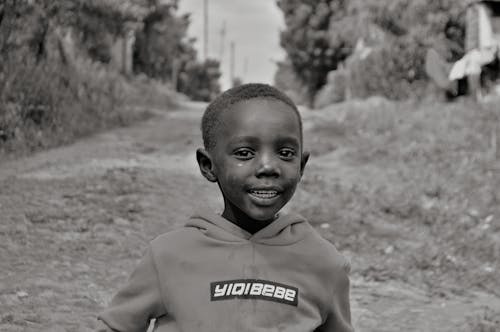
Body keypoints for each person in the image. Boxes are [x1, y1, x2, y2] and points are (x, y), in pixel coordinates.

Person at [97, 83, 353, 332]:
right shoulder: (168, 257)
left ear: (302, 166)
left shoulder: (324, 264)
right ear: (208, 166)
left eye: (285, 153)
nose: (268, 167)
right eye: (244, 153)